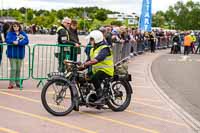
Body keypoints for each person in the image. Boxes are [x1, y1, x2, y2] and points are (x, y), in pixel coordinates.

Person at [79, 30, 114, 104]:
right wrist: (80, 67)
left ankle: (101, 97)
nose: (90, 41)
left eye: (91, 39)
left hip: (106, 70)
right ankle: (89, 96)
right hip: (97, 70)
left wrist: (86, 64)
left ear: (96, 39)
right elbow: (88, 60)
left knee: (95, 78)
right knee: (82, 78)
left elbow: (98, 59)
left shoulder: (105, 48)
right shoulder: (92, 49)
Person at [6, 22, 29, 89]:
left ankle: (18, 82)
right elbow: (7, 40)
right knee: (13, 69)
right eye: (14, 26)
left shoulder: (22, 33)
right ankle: (11, 83)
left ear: (19, 27)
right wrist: (13, 42)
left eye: (17, 26)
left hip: (20, 54)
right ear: (12, 27)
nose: (16, 27)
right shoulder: (10, 33)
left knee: (18, 69)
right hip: (12, 54)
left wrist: (18, 42)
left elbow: (26, 41)